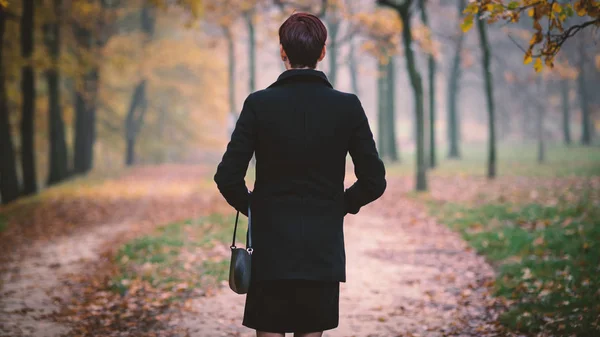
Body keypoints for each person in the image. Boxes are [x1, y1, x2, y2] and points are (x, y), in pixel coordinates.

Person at [214, 12, 387, 337]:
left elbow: (227, 177)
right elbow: (374, 180)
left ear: (283, 52)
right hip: (321, 249)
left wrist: (255, 208)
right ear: (322, 52)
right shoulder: (347, 107)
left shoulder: (259, 105)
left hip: (269, 248)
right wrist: (341, 204)